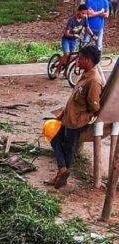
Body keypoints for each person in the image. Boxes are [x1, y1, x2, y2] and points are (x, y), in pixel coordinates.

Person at [47, 45, 103, 189]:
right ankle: (62, 170)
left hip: (77, 121)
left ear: (89, 60)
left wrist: (87, 115)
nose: (78, 61)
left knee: (68, 148)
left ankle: (61, 173)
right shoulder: (85, 75)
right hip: (69, 118)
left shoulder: (93, 80)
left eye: (81, 59)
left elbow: (94, 105)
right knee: (55, 140)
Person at [54, 5, 92, 79]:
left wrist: (93, 35)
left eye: (85, 13)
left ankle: (66, 72)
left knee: (72, 57)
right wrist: (74, 35)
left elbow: (87, 28)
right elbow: (66, 33)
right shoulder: (72, 20)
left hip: (74, 40)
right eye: (82, 13)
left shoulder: (84, 19)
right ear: (78, 11)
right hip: (67, 39)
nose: (84, 15)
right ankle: (57, 70)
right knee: (67, 54)